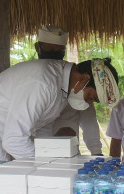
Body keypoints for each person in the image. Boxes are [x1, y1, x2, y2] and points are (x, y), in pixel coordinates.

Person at [0, 57, 120, 194]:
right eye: (90, 97)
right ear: (84, 79)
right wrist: (47, 167)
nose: (88, 103)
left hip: (0, 137)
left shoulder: (61, 86)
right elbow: (14, 139)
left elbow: (41, 129)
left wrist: (52, 157)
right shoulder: (44, 82)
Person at [35, 25, 103, 156]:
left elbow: (89, 121)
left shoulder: (78, 82)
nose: (54, 56)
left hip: (69, 153)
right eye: (50, 50)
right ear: (37, 48)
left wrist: (96, 152)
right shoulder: (32, 80)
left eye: (59, 52)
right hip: (32, 150)